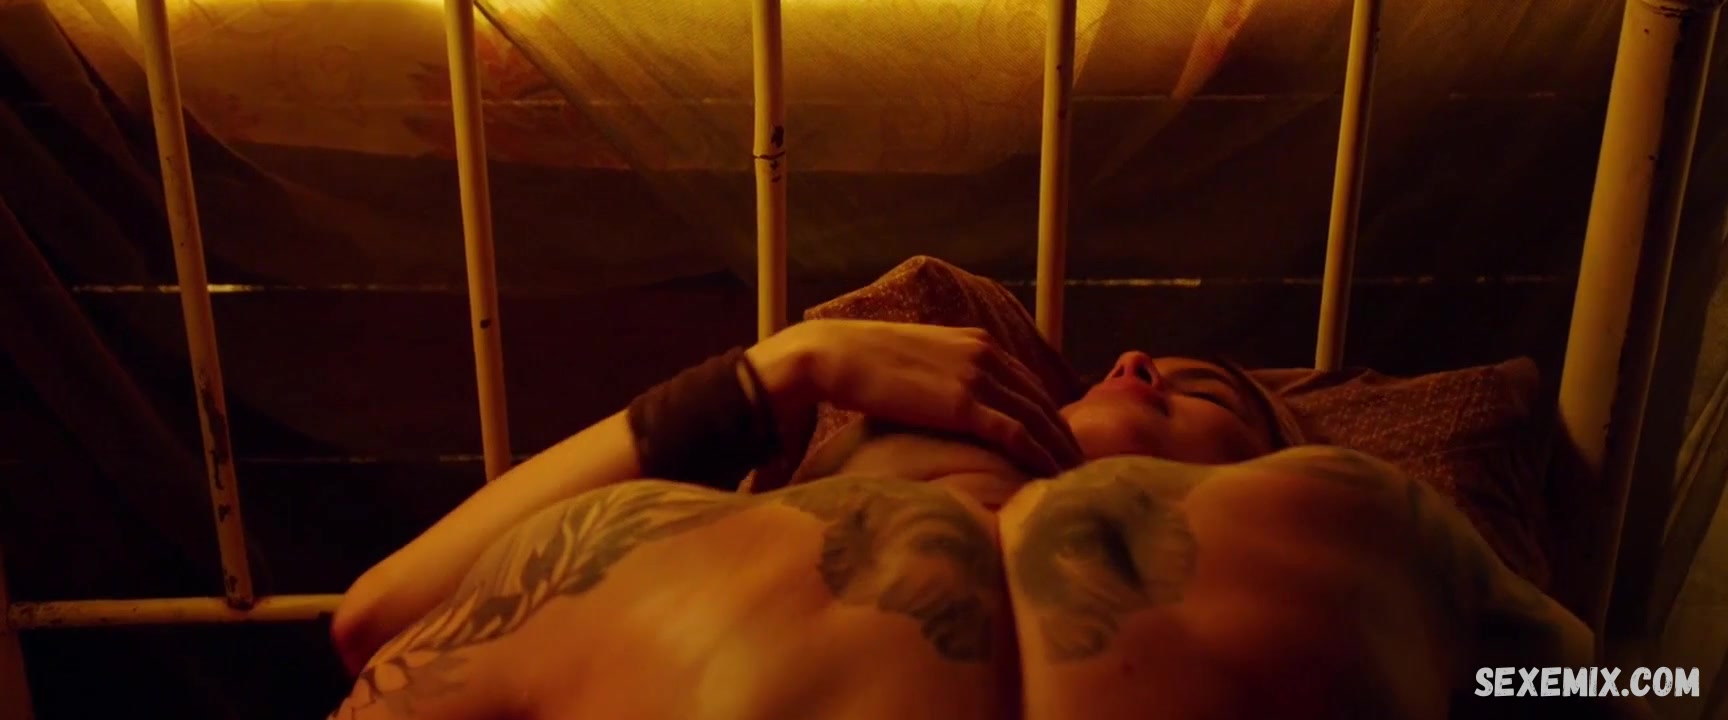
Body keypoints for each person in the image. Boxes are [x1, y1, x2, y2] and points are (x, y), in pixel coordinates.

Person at [325, 319, 1646, 720]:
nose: (1132, 360)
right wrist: (773, 373)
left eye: (1205, 390)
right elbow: (373, 619)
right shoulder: (647, 539)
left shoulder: (1355, 517)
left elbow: (1628, 689)